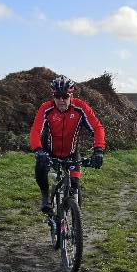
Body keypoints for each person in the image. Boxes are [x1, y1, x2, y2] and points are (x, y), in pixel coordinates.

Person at [30, 75, 105, 210]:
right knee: (40, 169)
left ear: (71, 95)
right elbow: (35, 130)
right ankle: (45, 196)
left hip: (71, 153)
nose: (61, 100)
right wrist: (38, 150)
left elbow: (97, 128)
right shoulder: (46, 108)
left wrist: (98, 150)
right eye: (57, 96)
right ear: (53, 96)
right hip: (49, 151)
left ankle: (75, 217)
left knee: (75, 183)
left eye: (65, 96)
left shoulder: (80, 108)